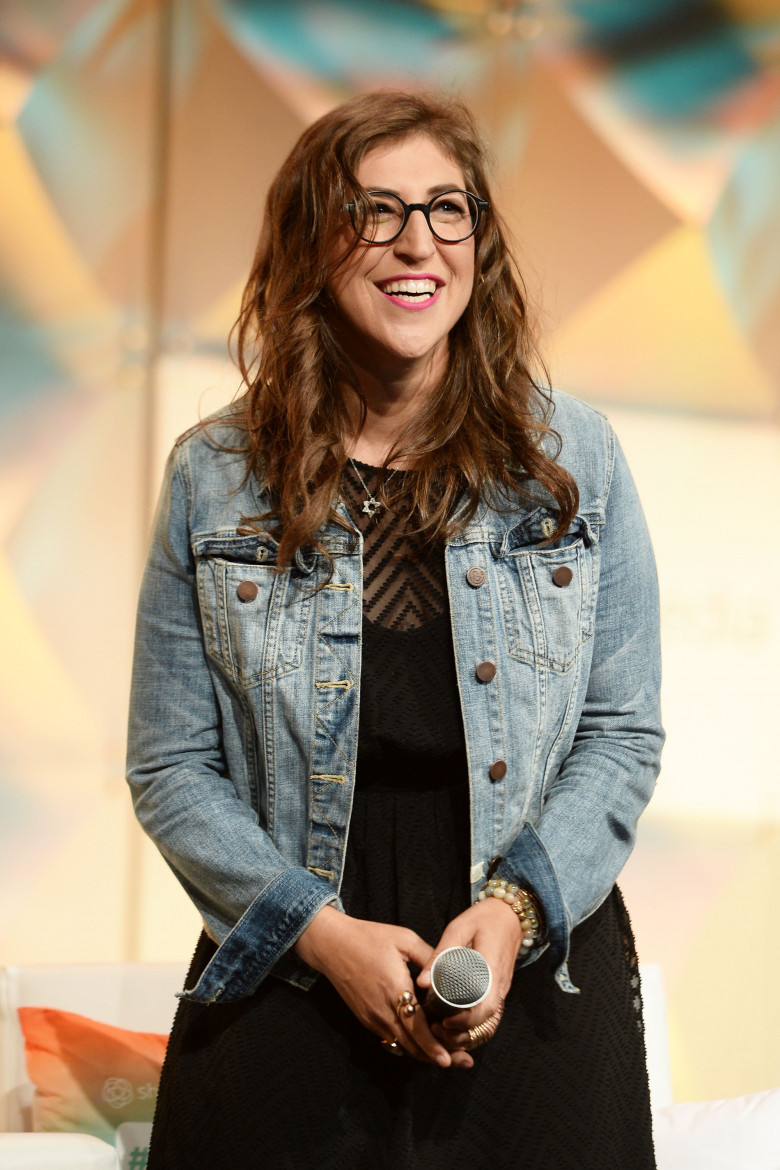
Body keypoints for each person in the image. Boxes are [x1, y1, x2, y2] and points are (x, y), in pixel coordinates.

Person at [127, 90, 664, 1169]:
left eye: (445, 209)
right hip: (293, 961)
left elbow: (621, 732)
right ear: (311, 245)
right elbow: (172, 767)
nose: (417, 243)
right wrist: (320, 937)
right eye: (374, 212)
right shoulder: (215, 478)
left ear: (480, 242)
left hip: (531, 961)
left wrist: (512, 915)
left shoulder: (576, 461)